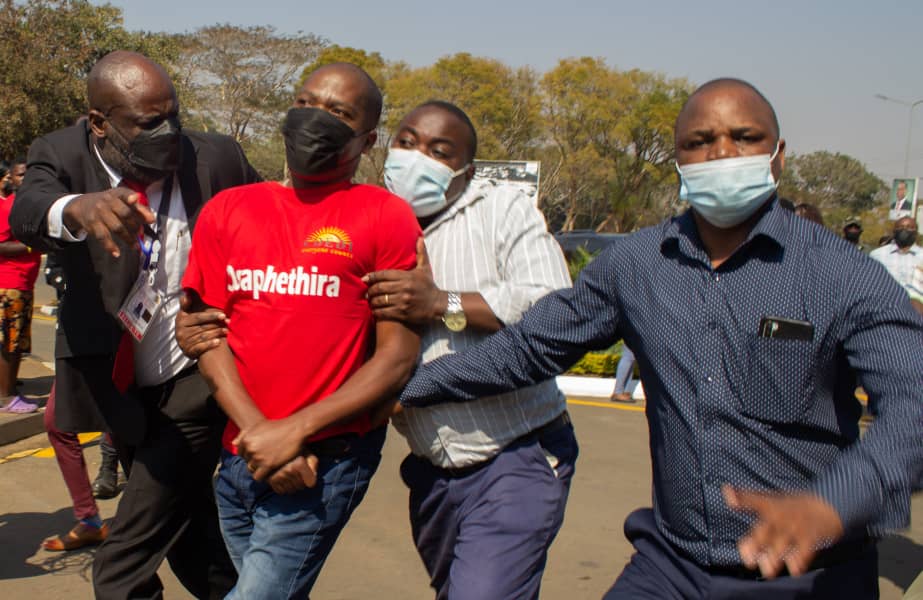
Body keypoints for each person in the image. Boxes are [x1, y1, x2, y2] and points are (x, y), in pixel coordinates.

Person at [396, 79, 923, 599]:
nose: (721, 154)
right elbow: (530, 348)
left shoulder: (846, 276)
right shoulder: (635, 267)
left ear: (778, 156)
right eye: (699, 143)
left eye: (744, 137)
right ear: (677, 161)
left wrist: (832, 503)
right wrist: (403, 389)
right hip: (672, 567)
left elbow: (913, 404)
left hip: (810, 572)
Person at [11, 50, 261, 599]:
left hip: (198, 378)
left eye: (172, 114)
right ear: (100, 123)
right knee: (193, 542)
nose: (168, 131)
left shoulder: (215, 157)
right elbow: (28, 210)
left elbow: (273, 225)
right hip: (116, 384)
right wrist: (76, 209)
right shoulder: (61, 152)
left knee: (121, 566)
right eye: (149, 123)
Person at [180, 62, 422, 599]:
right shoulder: (229, 210)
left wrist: (295, 432)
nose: (316, 120)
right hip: (241, 458)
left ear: (367, 138)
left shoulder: (385, 216)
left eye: (338, 113)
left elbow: (397, 358)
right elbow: (206, 335)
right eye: (306, 103)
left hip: (324, 464)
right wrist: (261, 435)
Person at [365, 101, 576, 599]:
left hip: (515, 453)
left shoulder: (501, 210)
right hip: (432, 470)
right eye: (407, 142)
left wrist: (442, 302)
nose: (417, 158)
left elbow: (552, 308)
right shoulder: (372, 219)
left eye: (439, 152)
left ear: (467, 169)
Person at [0, 159, 42, 414]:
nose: (25, 179)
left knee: (16, 342)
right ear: (11, 179)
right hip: (10, 283)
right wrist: (32, 245)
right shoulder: (9, 208)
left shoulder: (27, 206)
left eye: (29, 174)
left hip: (24, 282)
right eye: (20, 175)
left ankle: (10, 390)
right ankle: (6, 397)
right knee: (9, 342)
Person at [869, 216, 922, 292]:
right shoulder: (877, 255)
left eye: (909, 227)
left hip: (915, 302)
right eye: (900, 227)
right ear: (894, 231)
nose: (904, 230)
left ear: (916, 232)